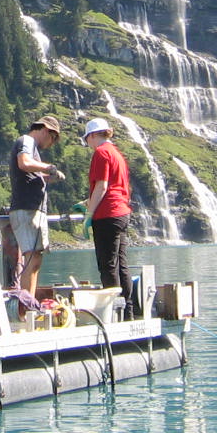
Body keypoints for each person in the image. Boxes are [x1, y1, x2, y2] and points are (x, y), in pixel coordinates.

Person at [81, 117, 135, 312]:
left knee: (107, 264)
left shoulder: (101, 153)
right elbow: (114, 186)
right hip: (121, 213)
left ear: (94, 135)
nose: (88, 143)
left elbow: (102, 186)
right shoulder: (116, 154)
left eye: (87, 138)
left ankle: (113, 310)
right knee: (121, 263)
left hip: (106, 215)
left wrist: (89, 214)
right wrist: (87, 202)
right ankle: (127, 309)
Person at [7, 113, 62, 297]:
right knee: (31, 258)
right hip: (27, 208)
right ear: (46, 130)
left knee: (35, 259)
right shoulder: (27, 141)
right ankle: (25, 305)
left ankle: (28, 302)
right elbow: (23, 163)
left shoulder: (33, 150)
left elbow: (30, 171)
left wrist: (47, 177)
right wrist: (47, 167)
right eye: (53, 138)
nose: (51, 144)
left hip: (33, 209)